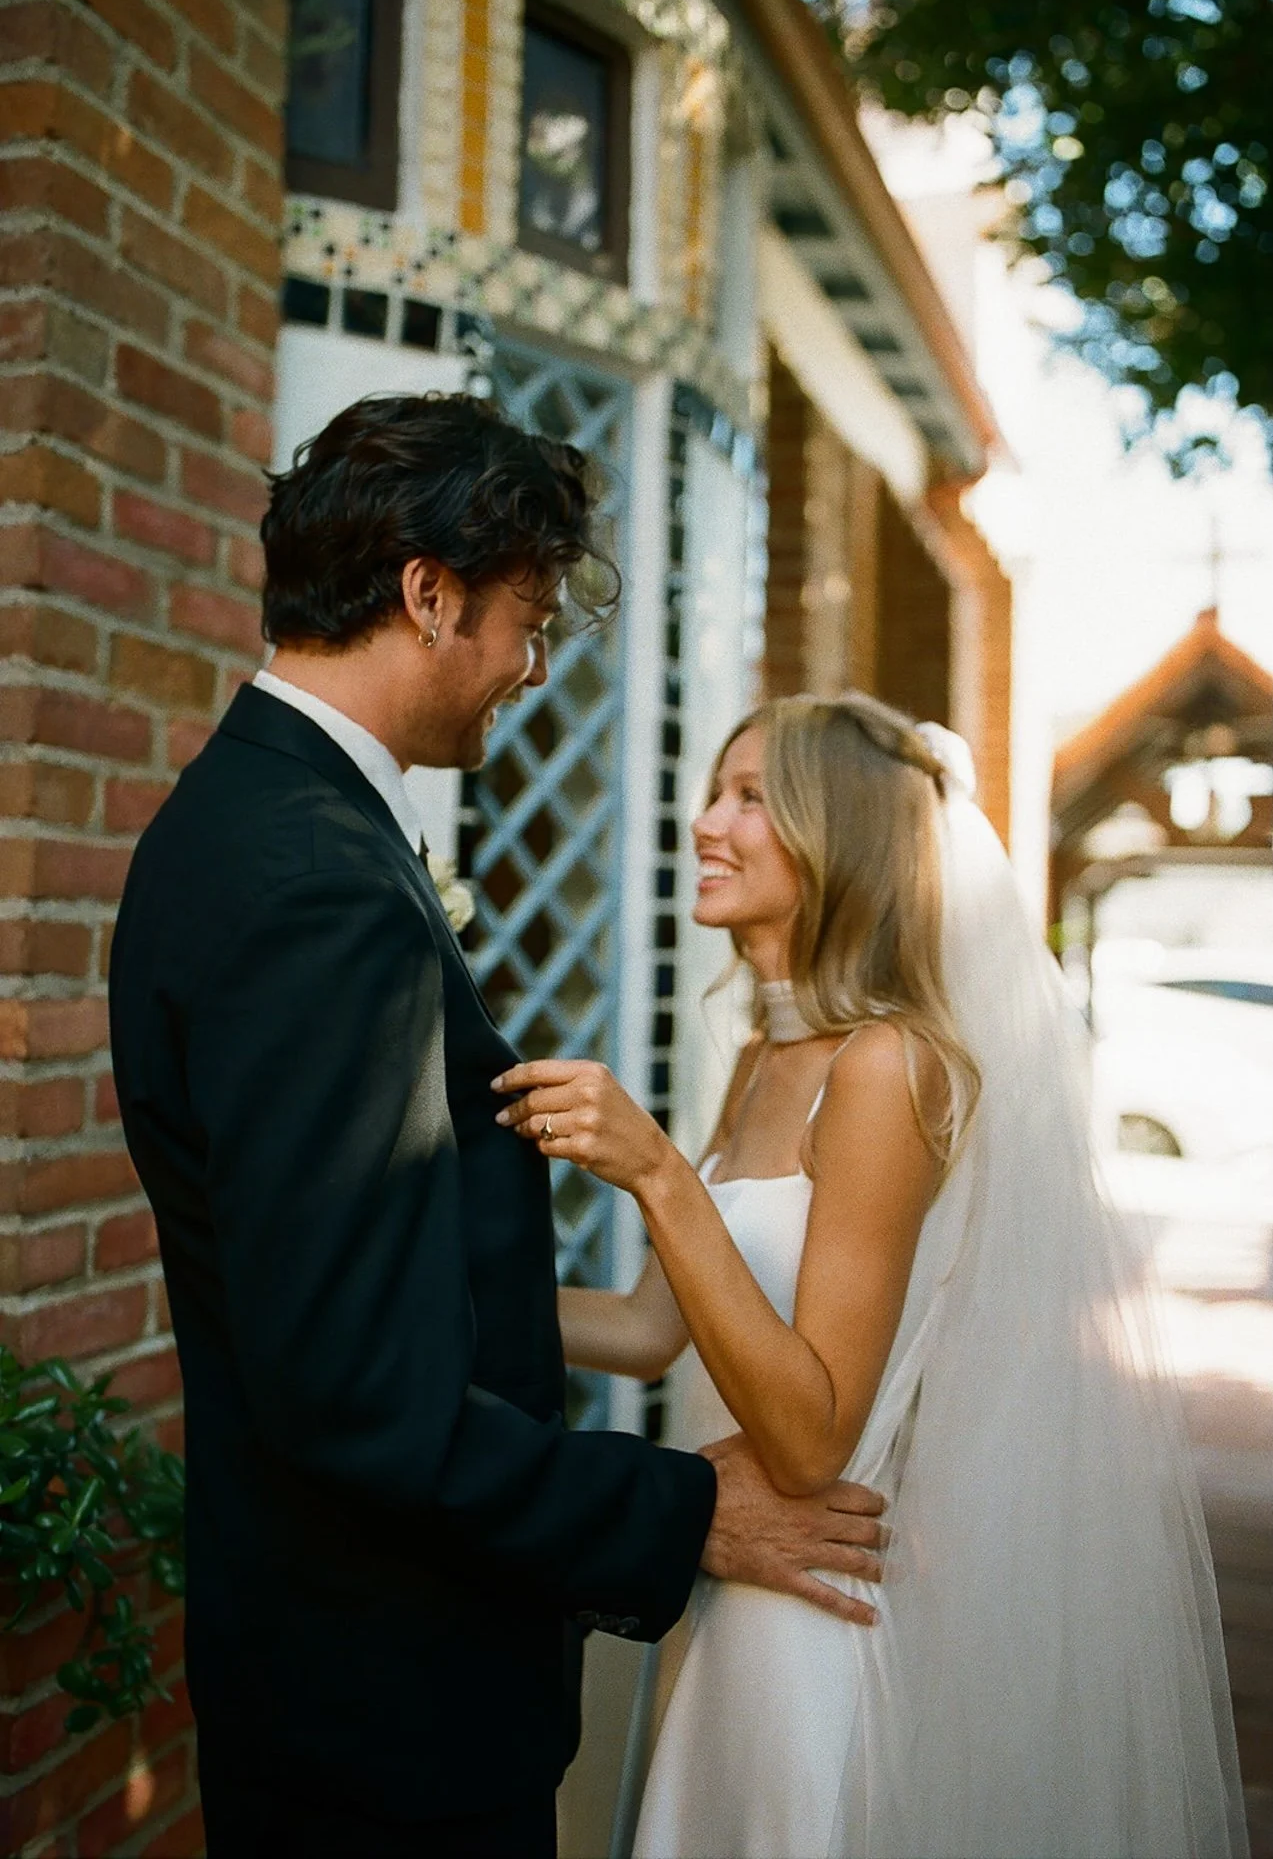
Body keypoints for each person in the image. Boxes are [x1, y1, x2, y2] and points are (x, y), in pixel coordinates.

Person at [107, 397, 887, 1859]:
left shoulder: (247, 824)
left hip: (327, 1662)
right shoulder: (316, 884)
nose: (530, 673)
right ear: (427, 592)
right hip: (385, 1700)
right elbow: (355, 1390)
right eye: (527, 623)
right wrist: (675, 1516)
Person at [495, 690, 1249, 1859]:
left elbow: (812, 1440)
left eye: (751, 798)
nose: (707, 822)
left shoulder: (887, 1067)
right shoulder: (763, 1056)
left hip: (817, 1613)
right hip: (726, 1579)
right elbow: (651, 1331)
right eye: (713, 792)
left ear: (834, 833)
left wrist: (655, 1168)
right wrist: (439, 1318)